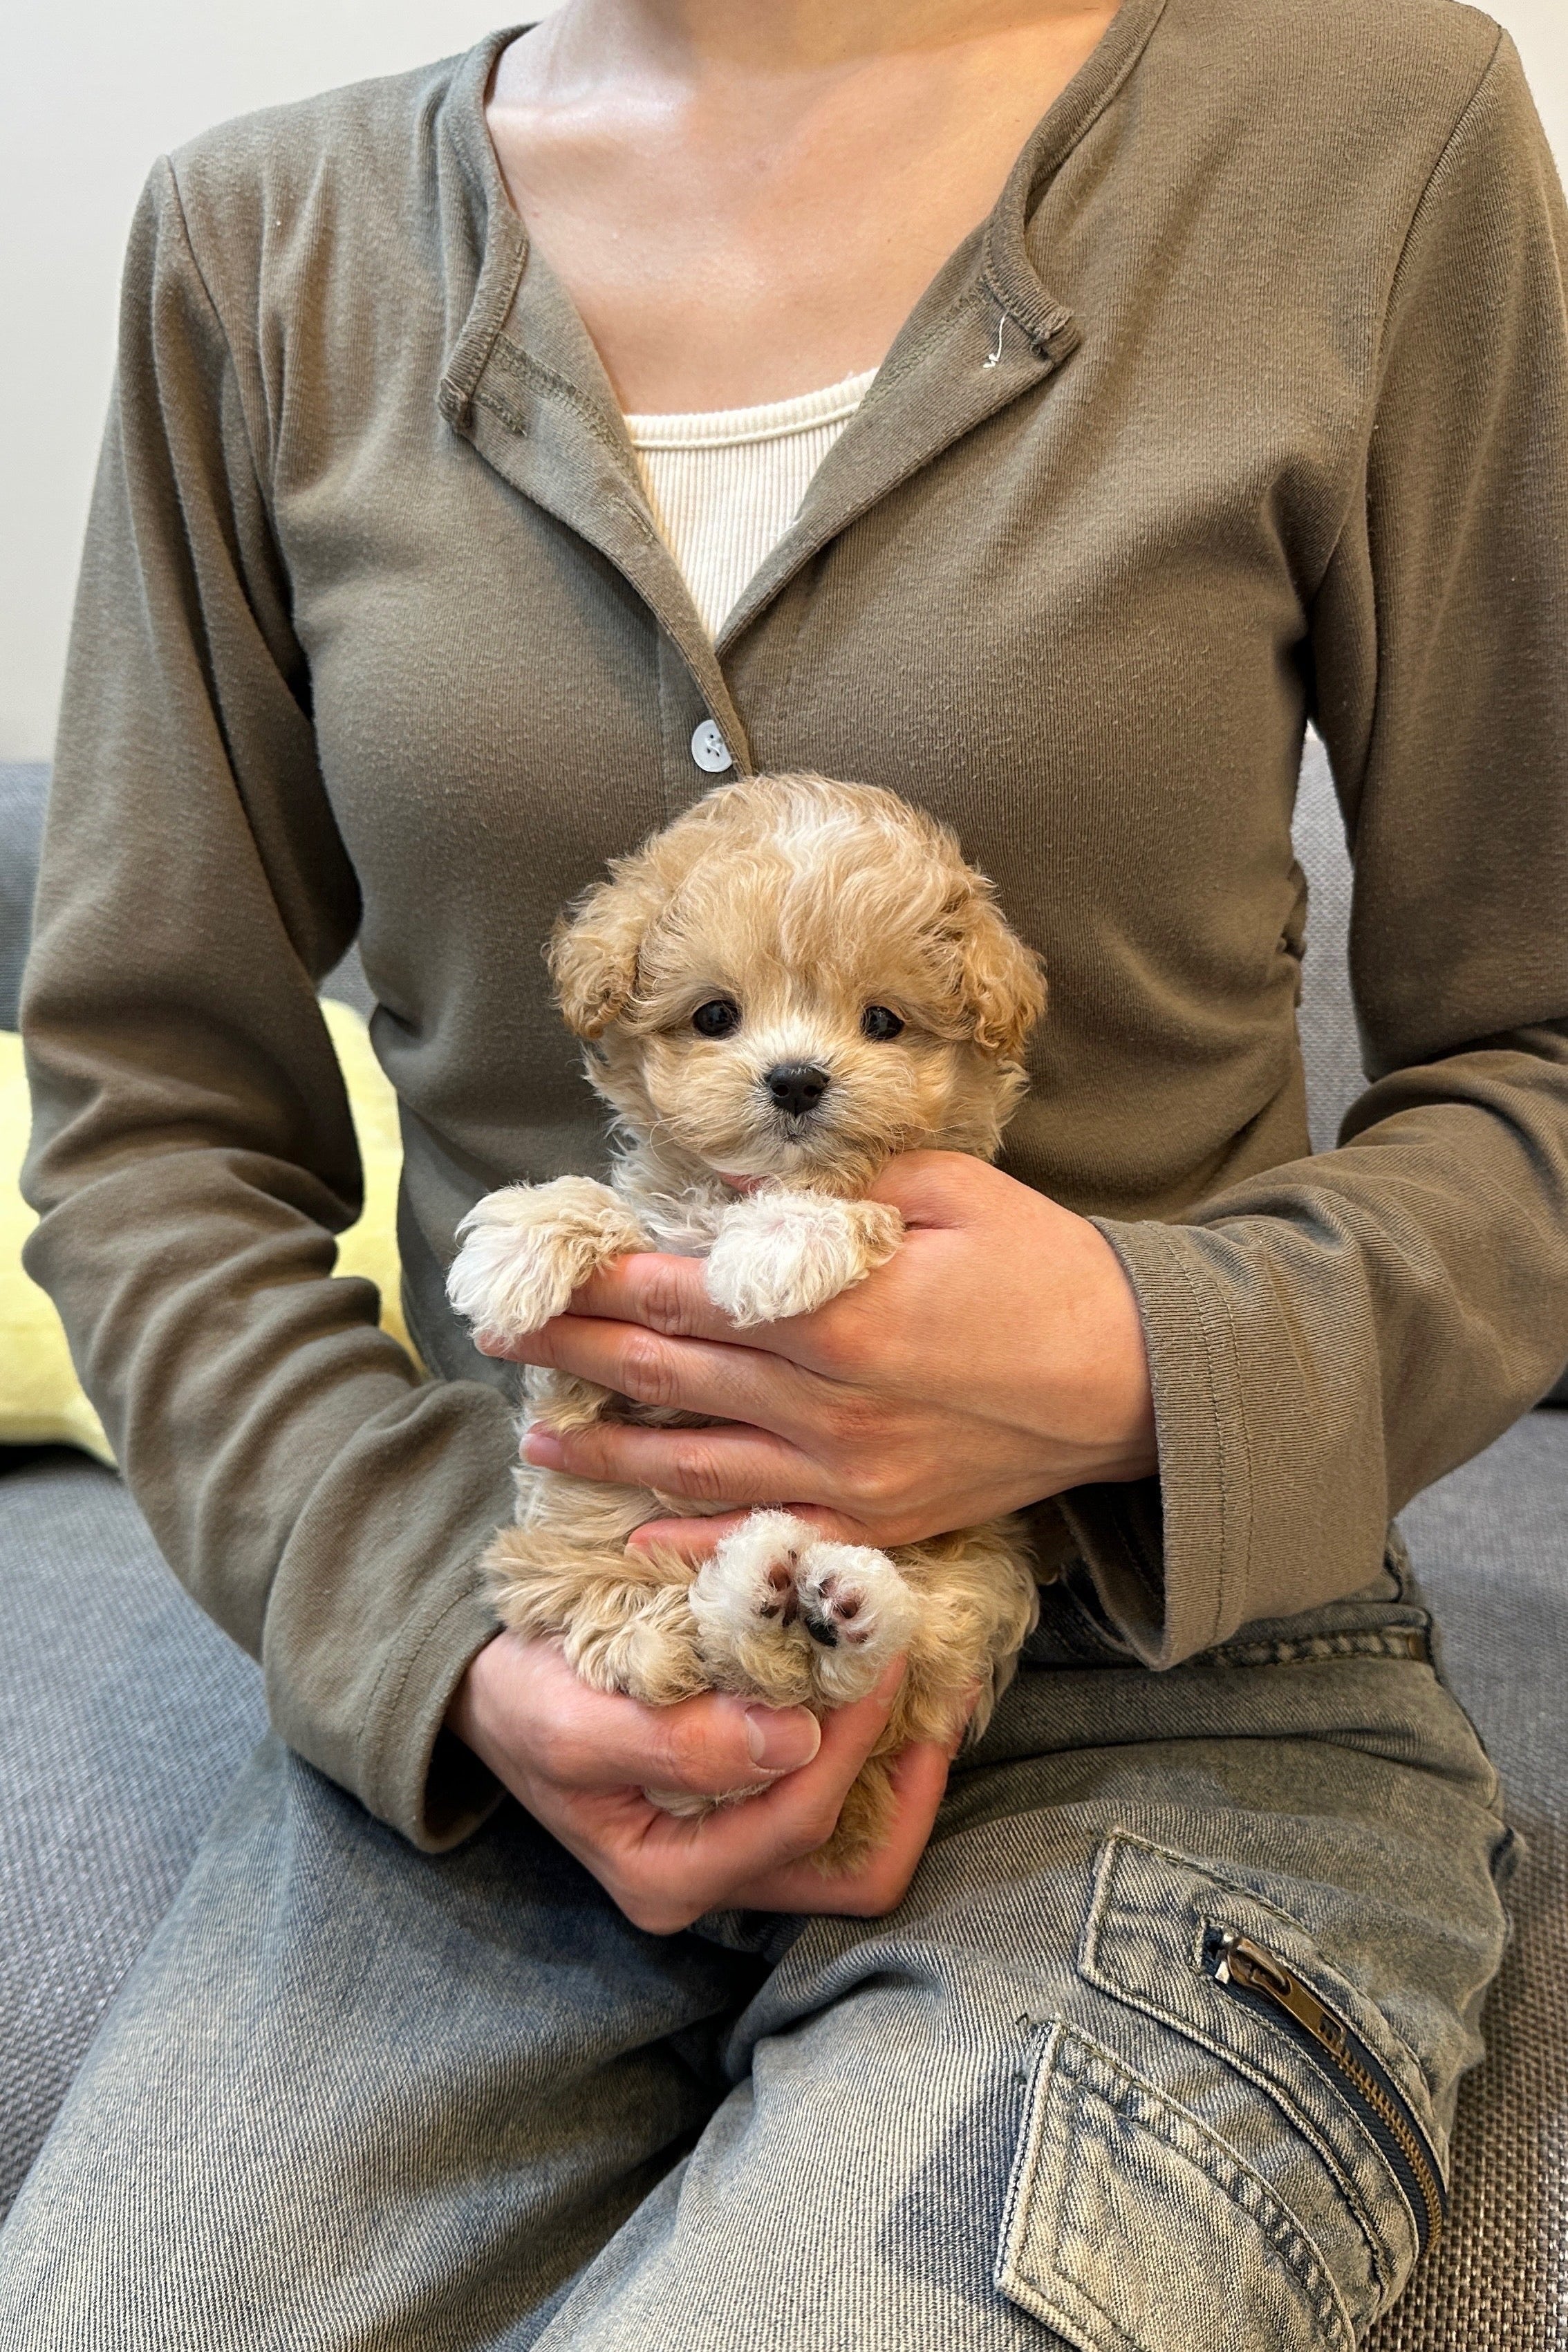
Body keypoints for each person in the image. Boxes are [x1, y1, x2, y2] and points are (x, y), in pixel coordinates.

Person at [3, 0, 1565, 2342]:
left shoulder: (1373, 137)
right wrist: (438, 1619)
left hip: (1161, 1705)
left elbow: (1538, 1043)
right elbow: (145, 1101)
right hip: (535, 1651)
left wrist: (1143, 1351)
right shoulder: (264, 246)